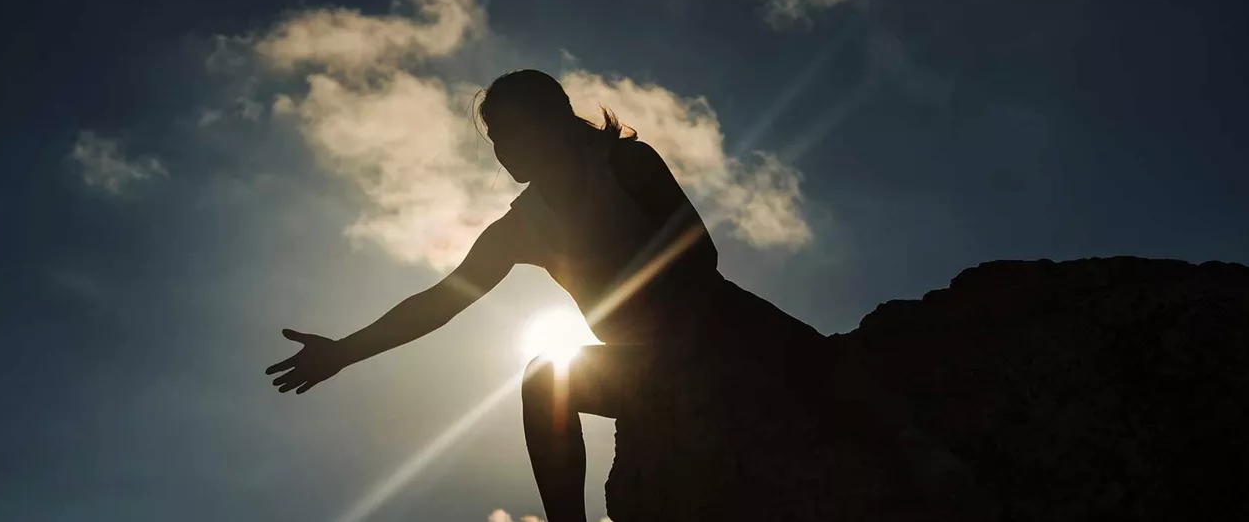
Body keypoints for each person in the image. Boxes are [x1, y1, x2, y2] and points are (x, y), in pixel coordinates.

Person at [266, 69, 836, 522]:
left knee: (837, 385)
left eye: (511, 132)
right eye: (493, 139)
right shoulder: (521, 228)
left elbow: (699, 253)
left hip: (726, 332)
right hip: (645, 367)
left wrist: (679, 345)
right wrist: (342, 351)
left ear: (553, 120)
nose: (501, 150)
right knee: (545, 378)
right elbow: (439, 303)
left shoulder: (627, 164)